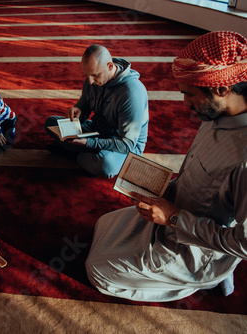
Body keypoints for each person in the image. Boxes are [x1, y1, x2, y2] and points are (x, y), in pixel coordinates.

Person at [85, 31, 247, 301]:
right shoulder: (215, 113)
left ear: (221, 89)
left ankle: (205, 279)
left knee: (99, 271)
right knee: (104, 223)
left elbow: (243, 243)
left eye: (190, 95)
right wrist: (166, 190)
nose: (185, 103)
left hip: (196, 246)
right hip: (174, 211)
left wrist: (173, 218)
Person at [44, 44, 149, 178]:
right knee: (51, 123)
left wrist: (89, 143)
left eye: (94, 75)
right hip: (97, 130)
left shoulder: (131, 92)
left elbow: (127, 144)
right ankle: (86, 153)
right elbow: (84, 109)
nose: (90, 81)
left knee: (106, 165)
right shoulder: (92, 79)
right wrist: (76, 112)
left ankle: (75, 153)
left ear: (110, 66)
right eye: (87, 75)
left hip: (123, 145)